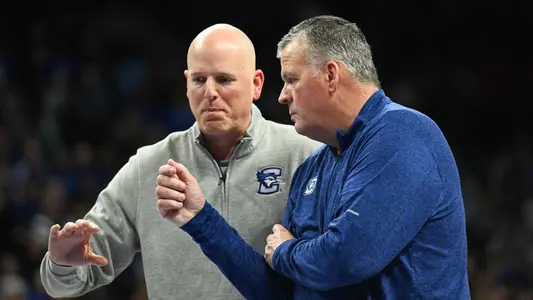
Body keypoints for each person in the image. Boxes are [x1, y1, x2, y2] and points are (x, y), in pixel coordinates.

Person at [157, 15, 471, 299]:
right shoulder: (311, 170)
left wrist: (285, 252)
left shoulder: (403, 135)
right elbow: (282, 294)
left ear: (331, 75)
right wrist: (202, 220)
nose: (281, 96)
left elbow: (349, 258)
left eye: (291, 79)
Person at [39, 24, 322, 300]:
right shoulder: (148, 167)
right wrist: (62, 265)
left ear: (256, 84)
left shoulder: (305, 155)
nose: (210, 91)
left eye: (224, 79)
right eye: (199, 80)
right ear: (187, 84)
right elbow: (66, 283)